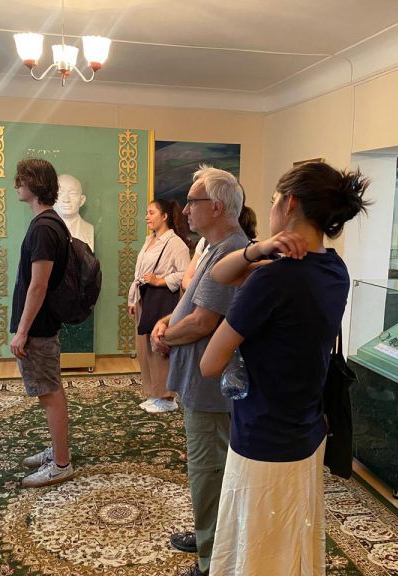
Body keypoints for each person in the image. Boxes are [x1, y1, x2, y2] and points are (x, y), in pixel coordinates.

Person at [200, 161, 369, 575]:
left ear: (289, 203)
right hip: (306, 429)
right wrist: (259, 249)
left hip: (263, 435)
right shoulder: (335, 270)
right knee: (290, 540)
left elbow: (209, 364)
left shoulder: (272, 281)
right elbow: (220, 273)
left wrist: (257, 271)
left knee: (257, 548)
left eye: (274, 199)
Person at [150, 165, 248, 576]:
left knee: (209, 472)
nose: (186, 210)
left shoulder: (230, 251)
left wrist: (166, 336)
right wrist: (167, 322)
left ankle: (211, 561)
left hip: (211, 388)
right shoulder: (216, 247)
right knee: (207, 470)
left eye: (193, 202)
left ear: (217, 207)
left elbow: (203, 322)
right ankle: (208, 536)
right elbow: (193, 306)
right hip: (202, 382)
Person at [11, 158, 74, 487]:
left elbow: (38, 285)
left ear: (34, 184)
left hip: (39, 326)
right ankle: (58, 451)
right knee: (51, 389)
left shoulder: (44, 227)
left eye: (20, 179)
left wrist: (22, 331)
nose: (16, 185)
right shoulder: (49, 223)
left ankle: (61, 464)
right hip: (42, 324)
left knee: (49, 393)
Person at [128, 199, 190, 413]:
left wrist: (159, 281)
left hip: (161, 300)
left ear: (165, 216)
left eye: (151, 212)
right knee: (144, 348)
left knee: (159, 347)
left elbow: (185, 274)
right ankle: (154, 393)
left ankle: (167, 396)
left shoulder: (175, 244)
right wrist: (133, 300)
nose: (147, 217)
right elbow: (139, 273)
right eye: (147, 212)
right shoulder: (150, 240)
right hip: (144, 298)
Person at [55, 173, 95, 251]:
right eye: (60, 193)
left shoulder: (89, 229)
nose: (66, 200)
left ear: (82, 200)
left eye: (72, 193)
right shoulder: (44, 230)